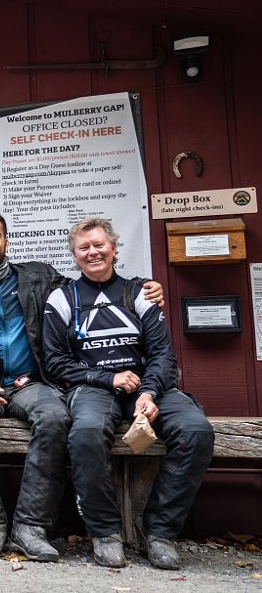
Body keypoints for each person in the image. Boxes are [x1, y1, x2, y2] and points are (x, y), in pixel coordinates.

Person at [0, 211, 162, 561]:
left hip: (31, 383)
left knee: (56, 419)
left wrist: (143, 286)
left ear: (6, 240)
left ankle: (30, 527)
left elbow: (93, 283)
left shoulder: (39, 276)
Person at [43, 217, 214, 570]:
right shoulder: (62, 299)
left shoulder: (139, 292)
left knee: (197, 431)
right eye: (84, 248)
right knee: (87, 433)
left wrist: (149, 391)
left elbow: (163, 354)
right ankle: (105, 533)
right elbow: (56, 363)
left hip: (148, 386)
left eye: (99, 245)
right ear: (74, 256)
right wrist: (108, 379)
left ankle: (161, 533)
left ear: (114, 248)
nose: (93, 252)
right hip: (92, 388)